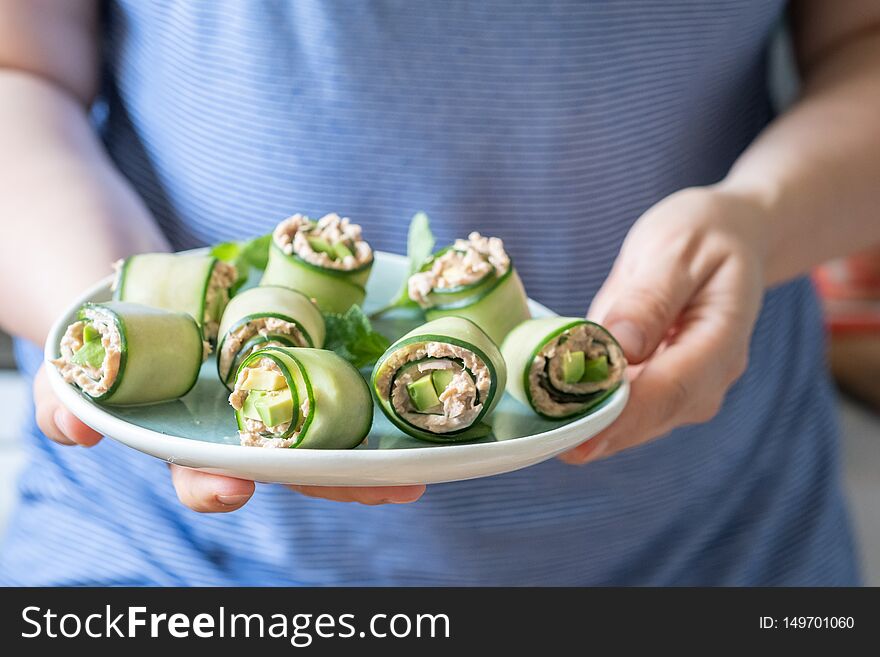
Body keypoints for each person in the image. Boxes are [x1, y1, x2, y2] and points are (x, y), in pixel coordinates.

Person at [0, 0, 877, 586]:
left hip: (717, 551)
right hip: (157, 555)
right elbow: (19, 66)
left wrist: (759, 217)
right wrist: (121, 326)